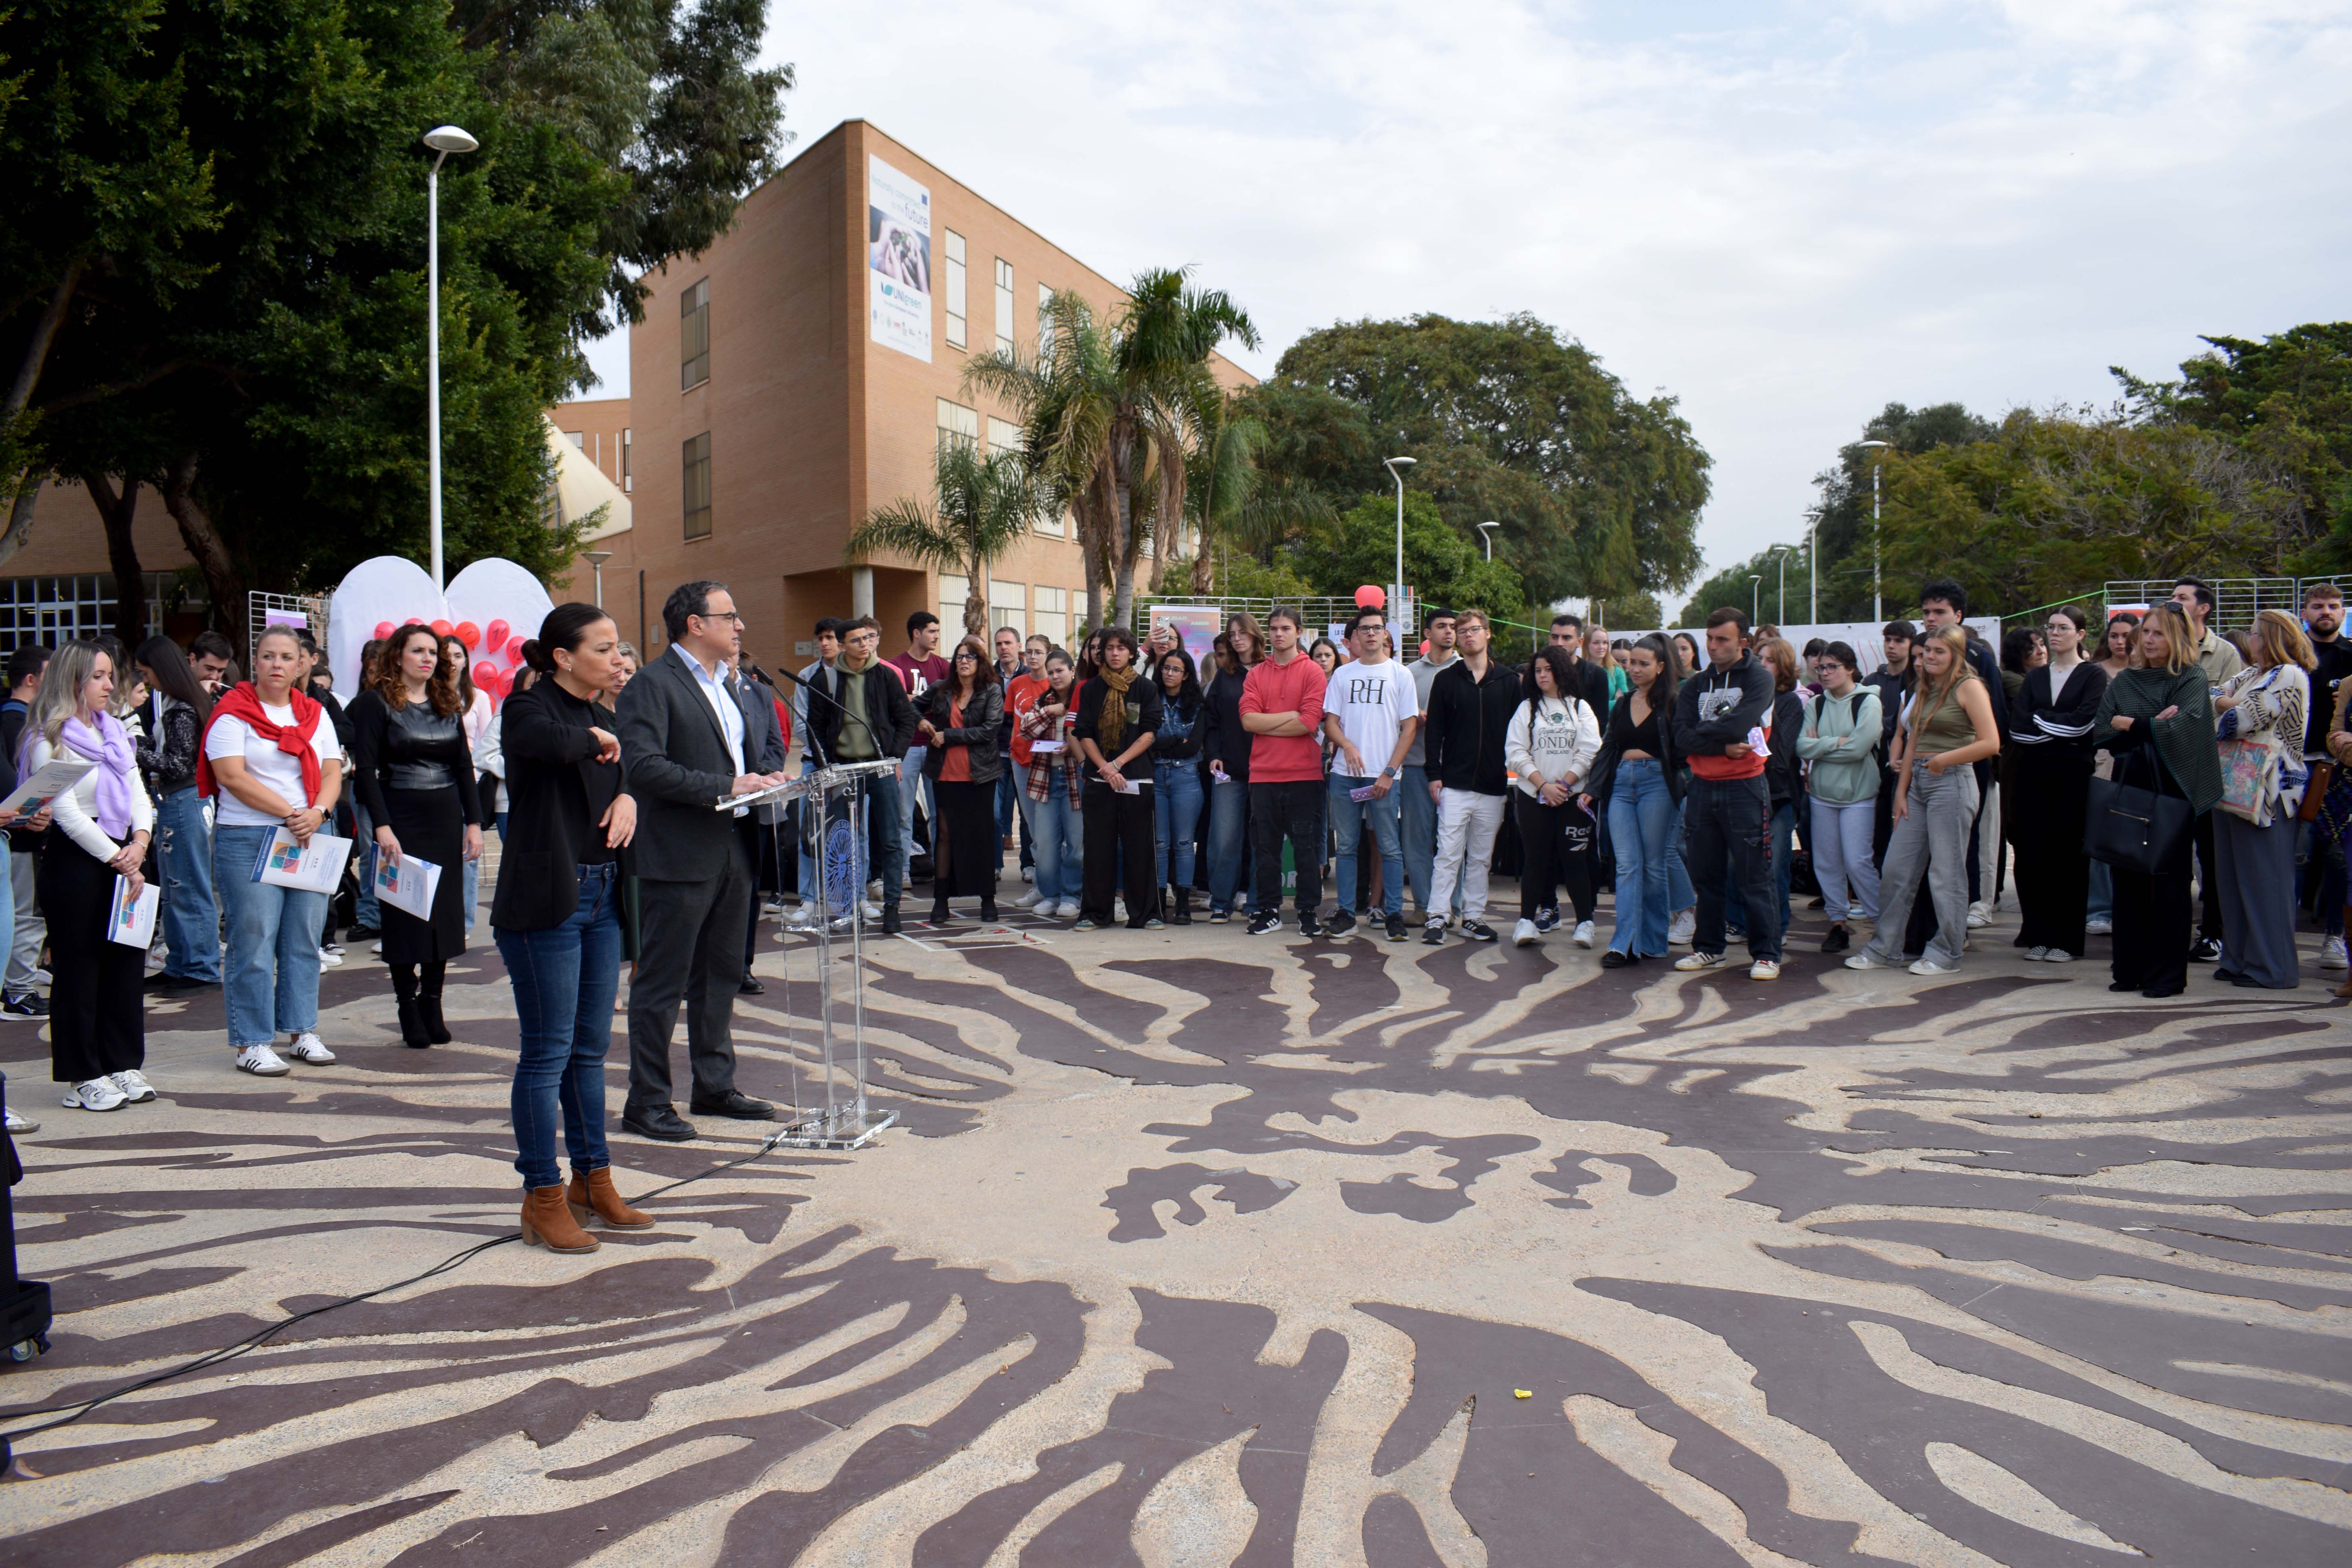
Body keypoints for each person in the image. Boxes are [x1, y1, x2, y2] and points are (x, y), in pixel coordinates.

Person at [492, 606, 648, 1253]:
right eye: (605, 649)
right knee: (547, 1051)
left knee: (590, 1051)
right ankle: (543, 1194)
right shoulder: (528, 708)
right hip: (547, 902)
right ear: (562, 656)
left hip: (603, 897)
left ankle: (594, 1179)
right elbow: (553, 746)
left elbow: (629, 766)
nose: (618, 660)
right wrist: (598, 743)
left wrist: (628, 792)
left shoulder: (607, 717)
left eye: (619, 650)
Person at [612, 583, 792, 1140]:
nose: (739, 626)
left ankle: (714, 1086)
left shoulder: (732, 685)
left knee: (719, 979)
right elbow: (644, 767)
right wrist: (728, 784)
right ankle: (647, 1101)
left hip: (735, 848)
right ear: (695, 624)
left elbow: (743, 755)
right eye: (729, 616)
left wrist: (764, 778)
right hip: (677, 853)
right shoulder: (651, 684)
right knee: (662, 984)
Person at [199, 625, 344, 1076]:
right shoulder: (232, 712)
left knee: (304, 937)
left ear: (302, 663)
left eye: (286, 657)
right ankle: (252, 1041)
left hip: (307, 833)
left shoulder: (314, 713)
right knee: (254, 940)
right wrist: (291, 812)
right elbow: (232, 777)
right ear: (255, 662)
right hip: (250, 836)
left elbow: (333, 768)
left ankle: (302, 1030)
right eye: (267, 656)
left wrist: (318, 811)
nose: (277, 664)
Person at [23, 642, 153, 1110]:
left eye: (108, 675)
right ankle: (83, 1075)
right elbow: (67, 813)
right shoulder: (48, 739)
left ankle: (121, 1061)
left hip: (126, 853)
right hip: (78, 860)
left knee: (124, 964)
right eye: (97, 676)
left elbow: (139, 790)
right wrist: (118, 856)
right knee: (79, 968)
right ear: (72, 680)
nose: (107, 685)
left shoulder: (115, 730)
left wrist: (139, 843)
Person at [351, 624, 484, 1048]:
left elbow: (464, 766)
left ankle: (433, 1001)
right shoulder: (376, 703)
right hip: (401, 817)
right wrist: (383, 825)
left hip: (445, 814)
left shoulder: (448, 701)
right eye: (418, 651)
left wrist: (474, 822)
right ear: (398, 655)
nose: (427, 658)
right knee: (406, 915)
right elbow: (366, 772)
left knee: (443, 917)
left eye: (433, 652)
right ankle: (407, 1006)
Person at [1847, 624, 2002, 977]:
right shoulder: (1924, 686)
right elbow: (1913, 738)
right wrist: (1901, 791)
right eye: (1926, 651)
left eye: (1938, 652)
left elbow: (1991, 742)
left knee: (1946, 874)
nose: (1928, 657)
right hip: (1917, 783)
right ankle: (1885, 948)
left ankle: (1946, 951)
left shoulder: (1969, 687)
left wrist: (1944, 760)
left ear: (1957, 655)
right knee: (1897, 869)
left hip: (1953, 781)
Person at [2093, 604, 2219, 998]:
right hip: (2130, 784)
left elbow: (2185, 729)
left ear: (2177, 638)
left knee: (2169, 884)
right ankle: (2128, 970)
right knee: (2128, 876)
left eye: (2158, 634)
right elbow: (2102, 729)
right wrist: (2152, 725)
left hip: (2173, 790)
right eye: (2145, 632)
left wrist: (2133, 723)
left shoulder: (2191, 677)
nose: (2148, 640)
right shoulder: (2126, 679)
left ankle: (2164, 976)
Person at [1672, 609, 1782, 980]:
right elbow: (1679, 737)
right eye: (1710, 638)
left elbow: (1740, 723)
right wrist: (1719, 746)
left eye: (1723, 639)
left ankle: (1767, 953)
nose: (1713, 646)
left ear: (1743, 642)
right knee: (1706, 875)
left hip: (1745, 788)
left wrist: (1702, 734)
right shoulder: (1695, 684)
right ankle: (1708, 948)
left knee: (1755, 876)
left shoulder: (1759, 679)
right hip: (1702, 787)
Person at [2211, 610, 2314, 990]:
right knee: (2234, 880)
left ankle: (2274, 968)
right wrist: (2226, 702)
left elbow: (2241, 719)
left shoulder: (2289, 674)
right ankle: (2238, 960)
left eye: (2254, 633)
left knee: (2265, 882)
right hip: (2235, 787)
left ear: (2270, 636)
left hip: (2269, 794)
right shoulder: (2254, 674)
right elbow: (2213, 698)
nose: (2249, 640)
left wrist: (2226, 703)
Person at [2006, 607, 2108, 963]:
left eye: (2064, 628)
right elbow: (2018, 730)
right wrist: (2054, 725)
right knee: (2035, 856)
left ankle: (2066, 940)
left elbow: (2083, 725)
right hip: (2034, 777)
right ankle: (2038, 934)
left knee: (2068, 857)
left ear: (2081, 634)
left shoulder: (2093, 675)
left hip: (2073, 779)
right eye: (2051, 627)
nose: (2055, 633)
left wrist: (2042, 719)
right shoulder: (2035, 678)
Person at [806, 615, 919, 934]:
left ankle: (892, 907)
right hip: (842, 769)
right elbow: (814, 729)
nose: (865, 644)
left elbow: (905, 720)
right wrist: (827, 764)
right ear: (842, 645)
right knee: (842, 839)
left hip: (879, 767)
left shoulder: (885, 675)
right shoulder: (824, 681)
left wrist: (893, 756)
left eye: (869, 638)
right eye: (857, 640)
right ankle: (845, 908)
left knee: (891, 838)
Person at [1581, 634, 1682, 967]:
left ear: (1661, 666)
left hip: (1658, 784)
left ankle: (1652, 942)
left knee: (1654, 865)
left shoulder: (1674, 701)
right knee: (1626, 865)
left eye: (1643, 663)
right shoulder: (1623, 703)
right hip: (1622, 785)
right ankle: (1623, 943)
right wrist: (1592, 788)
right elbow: (1609, 746)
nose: (1634, 669)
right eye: (1630, 663)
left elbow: (1683, 748)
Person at [1420, 609, 1520, 945]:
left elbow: (1518, 733)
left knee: (1481, 856)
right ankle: (1437, 915)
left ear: (1488, 634)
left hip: (1493, 783)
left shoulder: (1508, 681)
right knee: (1448, 851)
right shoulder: (1446, 680)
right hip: (1455, 783)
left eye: (1474, 630)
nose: (1467, 636)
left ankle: (1473, 916)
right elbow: (1434, 731)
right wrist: (1434, 774)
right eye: (1462, 631)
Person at [1321, 608, 1419, 941]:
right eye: (1365, 629)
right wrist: (1346, 745)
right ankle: (1347, 913)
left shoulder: (1400, 675)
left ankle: (1393, 914)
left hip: (1384, 776)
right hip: (1345, 776)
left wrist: (1390, 772)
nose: (1372, 634)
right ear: (1355, 636)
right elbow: (1330, 722)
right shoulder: (1342, 675)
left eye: (1378, 628)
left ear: (1384, 634)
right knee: (1347, 847)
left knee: (1390, 847)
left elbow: (1409, 728)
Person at [130, 635, 221, 991]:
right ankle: (182, 962)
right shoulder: (180, 703)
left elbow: (178, 764)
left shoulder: (181, 708)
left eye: (146, 672)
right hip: (181, 802)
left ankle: (198, 965)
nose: (145, 680)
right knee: (176, 886)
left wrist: (132, 749)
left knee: (186, 886)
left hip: (183, 800)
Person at [1504, 644, 1601, 948]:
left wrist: (1565, 785)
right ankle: (1526, 922)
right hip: (1535, 796)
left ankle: (1585, 923)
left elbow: (1590, 750)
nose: (1543, 675)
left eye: (1548, 669)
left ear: (1561, 670)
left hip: (1573, 799)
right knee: (1536, 859)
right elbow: (1515, 752)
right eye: (1538, 670)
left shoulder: (1580, 707)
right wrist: (1544, 785)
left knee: (1575, 860)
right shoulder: (1527, 709)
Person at [1239, 609, 1327, 936]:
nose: (1278, 634)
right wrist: (1289, 716)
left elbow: (1309, 722)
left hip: (1304, 775)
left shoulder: (1313, 672)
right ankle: (1268, 909)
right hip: (1262, 775)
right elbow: (1248, 721)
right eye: (1274, 629)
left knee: (1306, 849)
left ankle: (1307, 912)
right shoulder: (1256, 674)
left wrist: (1270, 720)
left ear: (1299, 632)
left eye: (1286, 629)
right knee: (1266, 849)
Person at [1796, 642, 1882, 955]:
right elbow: (1802, 747)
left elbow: (1859, 749)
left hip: (1859, 793)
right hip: (1822, 794)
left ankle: (1882, 922)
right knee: (1828, 863)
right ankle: (1838, 923)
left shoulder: (1868, 702)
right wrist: (1837, 743)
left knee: (1858, 861)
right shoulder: (1816, 703)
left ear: (1850, 668)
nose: (1826, 673)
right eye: (1821, 667)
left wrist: (1823, 745)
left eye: (1833, 666)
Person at [1073, 627, 1162, 930]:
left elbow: (1150, 732)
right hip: (1100, 779)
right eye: (1109, 648)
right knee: (1098, 849)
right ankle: (1095, 914)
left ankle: (1146, 914)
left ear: (1131, 652)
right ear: (1101, 653)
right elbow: (1083, 732)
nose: (1114, 653)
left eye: (1121, 648)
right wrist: (1105, 768)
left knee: (1140, 849)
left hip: (1136, 778)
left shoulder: (1146, 689)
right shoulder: (1089, 689)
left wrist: (1119, 764)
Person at [919, 637, 1004, 925]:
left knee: (981, 834)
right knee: (944, 835)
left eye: (970, 657)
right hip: (944, 773)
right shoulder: (940, 690)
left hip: (980, 774)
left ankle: (987, 899)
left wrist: (950, 735)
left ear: (980, 662)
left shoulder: (992, 690)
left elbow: (990, 729)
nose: (964, 661)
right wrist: (920, 721)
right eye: (959, 657)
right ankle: (940, 899)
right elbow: (904, 707)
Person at [1201, 614, 1263, 922]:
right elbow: (1210, 721)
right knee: (1224, 839)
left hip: (1267, 769)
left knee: (1260, 839)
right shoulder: (1225, 675)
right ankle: (1221, 902)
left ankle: (1255, 903)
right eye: (1232, 634)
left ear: (1255, 635)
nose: (1237, 638)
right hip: (1229, 769)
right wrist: (1212, 753)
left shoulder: (1270, 670)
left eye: (1243, 633)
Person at [1401, 609, 1461, 924]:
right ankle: (1424, 906)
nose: (1449, 632)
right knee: (1416, 840)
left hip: (1454, 770)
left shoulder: (1466, 670)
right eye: (1442, 627)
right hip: (1415, 766)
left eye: (1454, 627)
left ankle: (1454, 906)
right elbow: (1397, 718)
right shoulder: (1409, 673)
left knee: (1452, 842)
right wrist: (1415, 719)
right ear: (1427, 634)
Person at [0, 645, 50, 1019]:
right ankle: (18, 990)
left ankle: (19, 986)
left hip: (21, 829)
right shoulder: (15, 720)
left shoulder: (26, 719)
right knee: (23, 914)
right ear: (32, 679)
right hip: (17, 835)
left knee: (22, 913)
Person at [785, 617, 844, 932]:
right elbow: (801, 723)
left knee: (849, 832)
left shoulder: (853, 673)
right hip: (813, 764)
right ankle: (808, 899)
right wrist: (822, 757)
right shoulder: (807, 676)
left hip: (847, 765)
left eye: (831, 637)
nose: (825, 642)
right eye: (820, 637)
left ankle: (848, 898)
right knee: (809, 832)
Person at [1019, 648, 1085, 919]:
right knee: (1045, 842)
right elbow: (1026, 730)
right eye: (1051, 672)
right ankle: (1051, 894)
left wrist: (1072, 748)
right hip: (1046, 778)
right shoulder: (1044, 700)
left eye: (1060, 670)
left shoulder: (1083, 697)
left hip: (1075, 778)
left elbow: (1089, 732)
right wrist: (1051, 711)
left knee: (1077, 843)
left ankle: (1072, 895)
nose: (1056, 676)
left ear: (1072, 670)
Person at [888, 611, 949, 884]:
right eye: (932, 631)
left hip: (937, 745)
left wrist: (913, 698)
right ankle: (902, 870)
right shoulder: (896, 666)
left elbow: (951, 699)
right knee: (903, 813)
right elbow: (895, 704)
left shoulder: (944, 666)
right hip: (908, 748)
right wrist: (915, 700)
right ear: (916, 633)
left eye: (937, 631)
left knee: (940, 813)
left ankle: (941, 867)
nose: (937, 636)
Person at [1151, 647, 1207, 925]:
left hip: (1186, 777)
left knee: (1184, 843)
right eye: (1166, 668)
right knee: (1160, 843)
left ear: (1186, 675)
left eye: (1176, 669)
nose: (1170, 673)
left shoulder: (1198, 705)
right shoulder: (1149, 698)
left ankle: (1183, 902)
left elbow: (1194, 747)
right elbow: (1144, 741)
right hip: (1156, 776)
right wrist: (1175, 742)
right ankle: (1160, 901)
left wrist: (1163, 744)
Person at [1007, 634, 1055, 909]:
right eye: (1029, 652)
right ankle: (1040, 886)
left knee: (1050, 830)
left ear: (1048, 654)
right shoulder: (1016, 684)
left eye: (1039, 652)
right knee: (1034, 828)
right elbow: (1013, 722)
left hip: (1049, 764)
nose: (1033, 656)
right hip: (1021, 761)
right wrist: (1014, 750)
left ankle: (1055, 887)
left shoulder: (1055, 683)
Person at [1587, 626, 1629, 702]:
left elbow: (1625, 703)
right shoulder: (1578, 669)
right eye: (1596, 643)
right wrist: (1615, 702)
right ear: (1586, 644)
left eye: (1605, 643)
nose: (1601, 647)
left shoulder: (1617, 671)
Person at [188, 630, 234, 695]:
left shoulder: (229, 694)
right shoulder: (174, 691)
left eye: (220, 671)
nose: (214, 677)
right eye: (209, 669)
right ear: (193, 660)